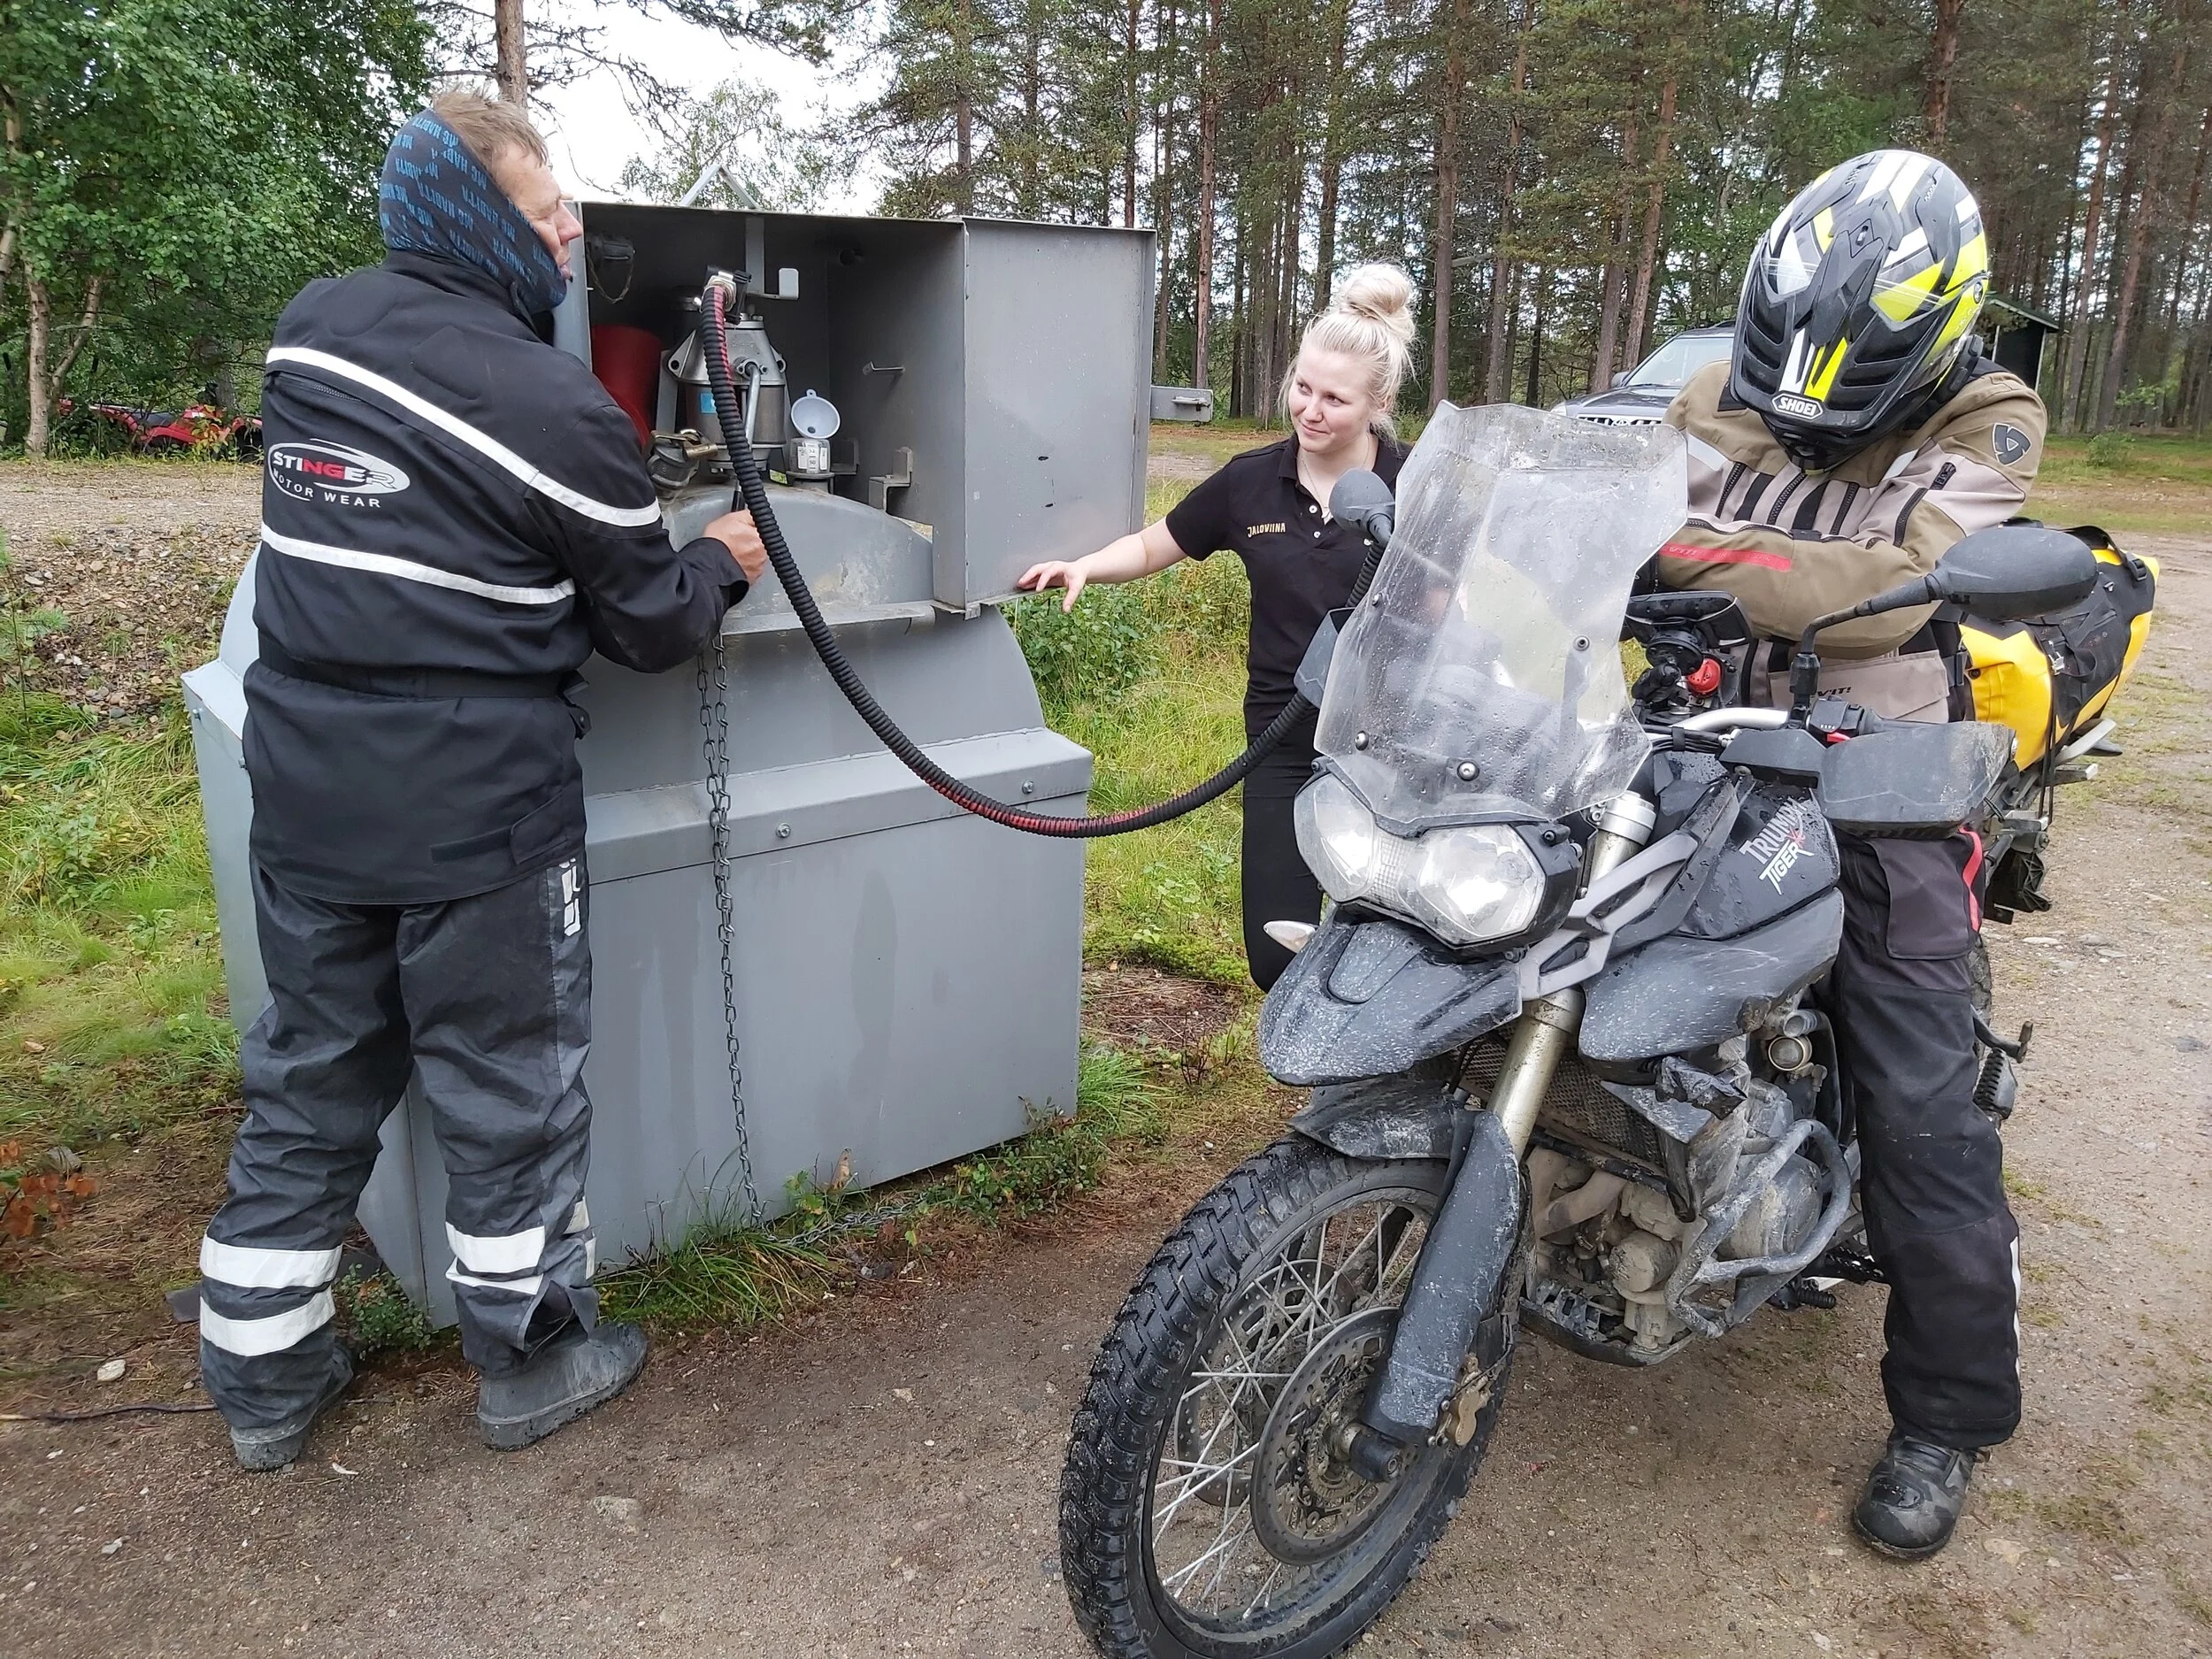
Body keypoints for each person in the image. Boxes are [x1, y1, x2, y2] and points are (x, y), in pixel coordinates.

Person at [196, 90, 766, 1470]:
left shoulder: (311, 330)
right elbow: (646, 622)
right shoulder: (553, 406)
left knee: (316, 1068)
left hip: (310, 789)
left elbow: (418, 530)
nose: (570, 231)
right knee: (508, 1083)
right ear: (471, 219)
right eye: (543, 208)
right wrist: (727, 560)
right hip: (479, 820)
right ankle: (531, 1351)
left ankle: (261, 1370)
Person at [1657, 149, 2046, 1560]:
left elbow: (1880, 599)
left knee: (1922, 1078)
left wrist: (1674, 548)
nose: (1804, 395)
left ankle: (1949, 1407)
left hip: (1879, 760)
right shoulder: (1707, 389)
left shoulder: (1993, 412)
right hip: (1691, 724)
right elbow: (1586, 506)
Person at [1018, 265, 1418, 990]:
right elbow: (1154, 543)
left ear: (1379, 402)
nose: (1312, 409)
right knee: (1276, 955)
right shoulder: (1250, 481)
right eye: (1303, 387)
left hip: (1396, 743)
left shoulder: (1419, 485)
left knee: (1403, 942)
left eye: (1335, 397)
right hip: (1282, 739)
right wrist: (1083, 566)